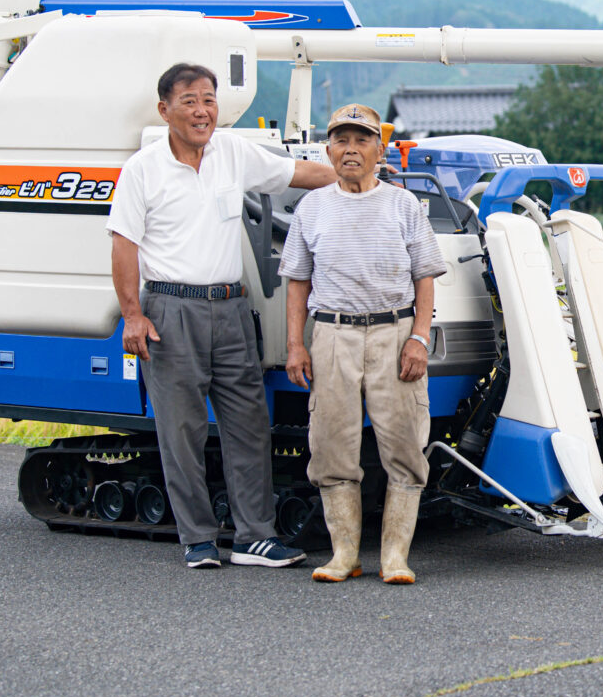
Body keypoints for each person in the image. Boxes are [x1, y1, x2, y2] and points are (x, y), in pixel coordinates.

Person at [109, 63, 336, 569]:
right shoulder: (142, 169)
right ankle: (198, 539)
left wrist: (353, 173)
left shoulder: (233, 152)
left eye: (208, 99)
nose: (201, 110)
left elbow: (296, 173)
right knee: (181, 430)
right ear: (164, 109)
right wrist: (132, 315)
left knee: (249, 424)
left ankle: (255, 536)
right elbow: (123, 245)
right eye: (189, 100)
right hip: (170, 311)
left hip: (232, 308)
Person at [280, 103, 447, 584]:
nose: (351, 150)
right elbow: (297, 282)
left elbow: (425, 278)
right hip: (332, 333)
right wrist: (297, 344)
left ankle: (395, 557)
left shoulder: (403, 204)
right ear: (328, 150)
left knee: (403, 445)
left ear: (380, 149)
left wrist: (418, 337)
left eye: (362, 140)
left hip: (395, 333)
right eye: (341, 141)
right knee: (331, 444)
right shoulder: (311, 207)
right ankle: (344, 554)